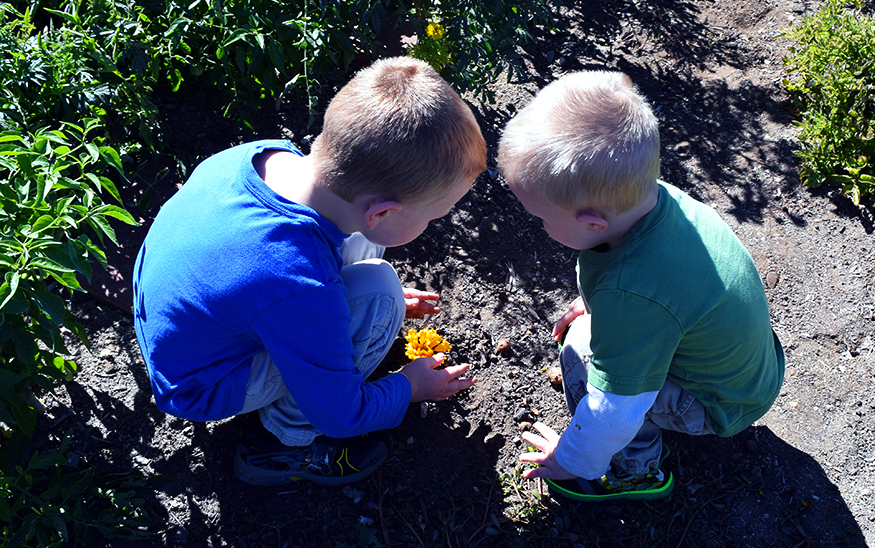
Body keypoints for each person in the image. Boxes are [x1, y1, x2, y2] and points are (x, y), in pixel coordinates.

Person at [133, 57, 486, 487]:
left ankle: (321, 341)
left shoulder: (267, 157)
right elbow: (341, 413)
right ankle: (284, 442)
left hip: (185, 332)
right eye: (434, 216)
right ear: (384, 211)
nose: (433, 223)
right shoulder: (300, 284)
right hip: (200, 382)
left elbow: (285, 273)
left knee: (357, 245)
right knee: (377, 291)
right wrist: (409, 387)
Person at [497, 71, 784, 501]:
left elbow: (613, 410)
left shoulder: (632, 292)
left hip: (717, 403)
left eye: (541, 218)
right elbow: (663, 293)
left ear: (593, 223)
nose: (538, 226)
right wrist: (599, 302)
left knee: (579, 349)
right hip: (749, 373)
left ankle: (632, 469)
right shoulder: (655, 200)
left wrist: (572, 459)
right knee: (604, 331)